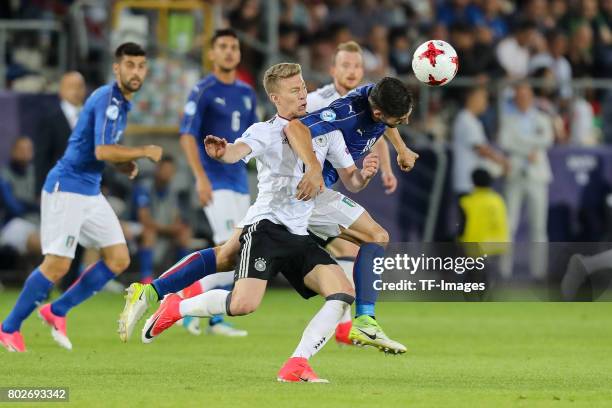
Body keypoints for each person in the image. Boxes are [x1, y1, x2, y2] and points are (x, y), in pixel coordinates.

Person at [118, 75, 418, 356]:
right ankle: (166, 300)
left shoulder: (357, 106)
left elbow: (352, 174)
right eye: (296, 90)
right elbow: (273, 137)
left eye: (303, 88)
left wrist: (389, 157)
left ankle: (154, 292)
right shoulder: (325, 117)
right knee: (237, 281)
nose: (305, 94)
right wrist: (309, 170)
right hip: (285, 208)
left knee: (228, 256)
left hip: (308, 204)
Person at [0, 42, 163, 353]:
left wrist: (122, 162)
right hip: (67, 187)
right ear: (117, 68)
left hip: (89, 189)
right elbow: (102, 150)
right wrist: (142, 151)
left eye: (141, 66)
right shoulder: (109, 99)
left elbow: (100, 150)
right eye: (129, 65)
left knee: (118, 258)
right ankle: (8, 328)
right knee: (57, 265)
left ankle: (56, 310)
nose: (136, 71)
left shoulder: (120, 103)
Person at [305, 41, 399, 346]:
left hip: (325, 190)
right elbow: (294, 130)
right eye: (345, 65)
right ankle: (354, 323)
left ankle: (351, 324)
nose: (351, 71)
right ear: (333, 69)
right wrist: (310, 168)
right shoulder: (321, 102)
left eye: (357, 66)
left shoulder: (365, 102)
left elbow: (382, 130)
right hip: (304, 189)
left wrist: (385, 166)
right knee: (237, 267)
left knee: (356, 250)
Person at [177, 28, 257, 337]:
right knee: (229, 248)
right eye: (222, 46)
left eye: (233, 47)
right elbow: (186, 135)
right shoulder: (204, 89)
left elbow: (252, 138)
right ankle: (185, 301)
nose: (228, 52)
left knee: (237, 249)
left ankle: (213, 317)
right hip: (214, 179)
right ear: (212, 53)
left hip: (239, 181)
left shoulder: (247, 93)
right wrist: (200, 178)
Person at [34, 71, 87, 291]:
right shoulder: (50, 118)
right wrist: (41, 190)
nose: (77, 91)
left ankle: (68, 287)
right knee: (55, 240)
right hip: (57, 190)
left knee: (80, 239)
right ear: (61, 90)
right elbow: (41, 158)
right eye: (72, 86)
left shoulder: (89, 118)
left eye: (80, 86)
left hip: (84, 191)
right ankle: (42, 287)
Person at [499, 82, 553, 279]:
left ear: (531, 97)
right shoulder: (508, 118)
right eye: (519, 96)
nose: (522, 99)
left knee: (538, 226)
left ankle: (539, 272)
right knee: (509, 224)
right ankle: (504, 270)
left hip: (537, 176)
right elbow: (505, 141)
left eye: (525, 95)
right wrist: (529, 149)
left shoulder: (542, 118)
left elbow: (548, 140)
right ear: (515, 98)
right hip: (515, 176)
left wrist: (520, 143)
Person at [132, 156, 191, 284]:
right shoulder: (145, 186)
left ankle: (182, 279)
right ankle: (146, 279)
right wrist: (168, 229)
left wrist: (175, 228)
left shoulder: (173, 190)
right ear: (157, 169)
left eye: (171, 171)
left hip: (162, 229)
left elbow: (177, 217)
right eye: (165, 169)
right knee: (149, 233)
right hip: (135, 228)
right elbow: (144, 220)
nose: (167, 173)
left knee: (184, 234)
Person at [452, 87, 508, 197]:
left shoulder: (473, 120)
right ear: (472, 98)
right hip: (467, 182)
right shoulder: (465, 119)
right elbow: (481, 149)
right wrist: (502, 161)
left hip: (474, 182)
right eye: (483, 98)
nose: (486, 102)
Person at [0, 137, 40, 258]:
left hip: (37, 223)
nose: (24, 152)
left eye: (28, 149)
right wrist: (34, 205)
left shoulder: (36, 174)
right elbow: (14, 208)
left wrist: (25, 203)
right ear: (12, 150)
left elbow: (46, 205)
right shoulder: (3, 175)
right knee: (40, 243)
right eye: (20, 149)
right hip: (12, 224)